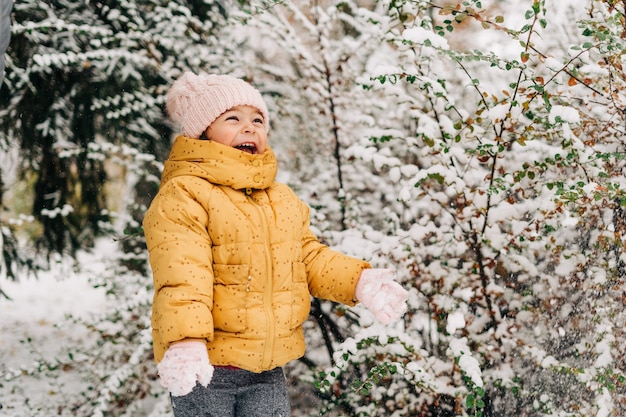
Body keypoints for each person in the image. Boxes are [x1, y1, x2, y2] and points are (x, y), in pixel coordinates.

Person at [142, 71, 409, 417]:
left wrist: (360, 280)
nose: (250, 127)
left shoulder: (279, 199)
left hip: (266, 370)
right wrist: (186, 339)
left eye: (258, 119)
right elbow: (182, 274)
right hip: (206, 367)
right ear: (203, 133)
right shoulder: (186, 194)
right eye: (233, 118)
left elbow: (309, 258)